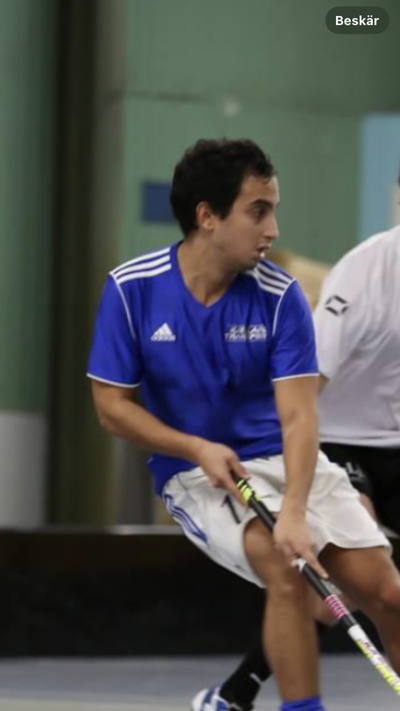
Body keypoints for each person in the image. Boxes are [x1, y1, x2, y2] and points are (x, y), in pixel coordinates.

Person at [87, 139, 400, 711]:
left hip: (288, 460)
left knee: (389, 593)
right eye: (258, 211)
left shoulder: (281, 297)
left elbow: (299, 415)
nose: (273, 229)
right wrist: (195, 447)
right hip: (196, 472)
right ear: (207, 216)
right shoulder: (132, 290)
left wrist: (295, 510)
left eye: (273, 210)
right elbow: (112, 406)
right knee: (287, 571)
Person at [208, 224, 400, 710]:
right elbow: (305, 383)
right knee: (350, 583)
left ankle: (236, 690)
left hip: (395, 441)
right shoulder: (364, 274)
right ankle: (238, 691)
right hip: (332, 436)